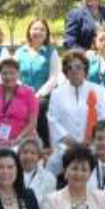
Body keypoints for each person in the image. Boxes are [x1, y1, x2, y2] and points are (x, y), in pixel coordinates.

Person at [47, 49, 105, 156]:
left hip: (93, 146)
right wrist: (70, 142)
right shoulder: (57, 93)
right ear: (66, 72)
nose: (74, 70)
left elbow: (103, 120)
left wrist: (90, 140)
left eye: (78, 67)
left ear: (85, 69)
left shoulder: (99, 91)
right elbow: (53, 121)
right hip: (65, 146)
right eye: (70, 67)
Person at [15, 18, 61, 147]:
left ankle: (45, 145)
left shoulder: (51, 52)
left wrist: (38, 95)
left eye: (42, 29)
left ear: (46, 33)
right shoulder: (20, 52)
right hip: (21, 94)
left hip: (44, 96)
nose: (38, 32)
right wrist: (24, 92)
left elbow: (53, 78)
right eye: (35, 29)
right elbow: (15, 75)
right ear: (29, 31)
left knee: (40, 106)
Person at [18, 137, 57, 205]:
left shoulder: (49, 178)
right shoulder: (9, 174)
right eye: (25, 152)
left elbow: (48, 205)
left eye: (33, 153)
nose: (28, 156)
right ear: (19, 155)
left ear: (39, 157)